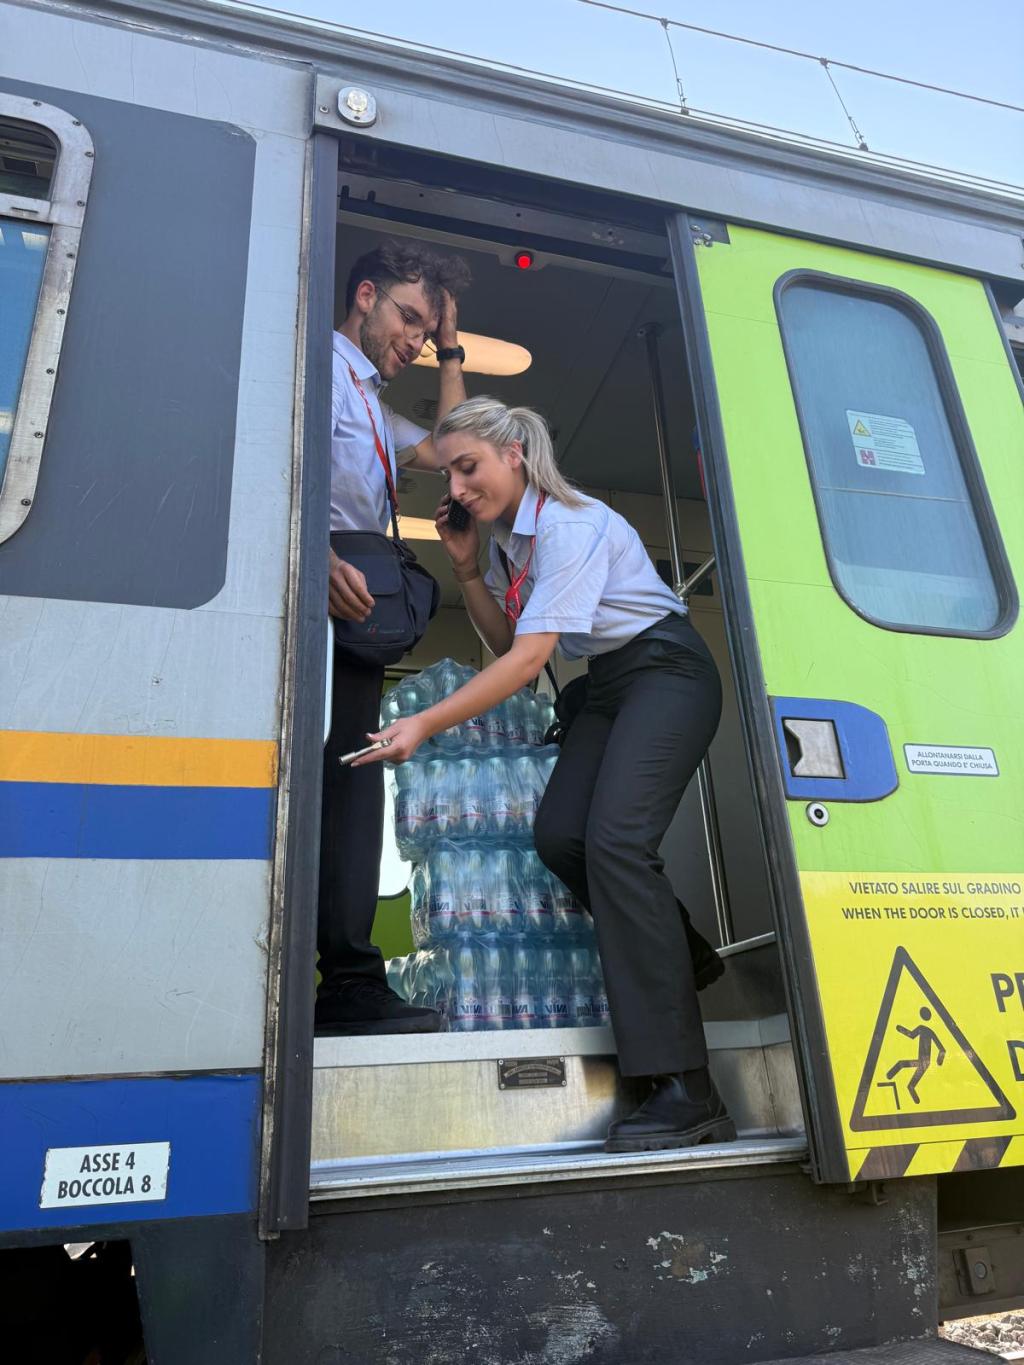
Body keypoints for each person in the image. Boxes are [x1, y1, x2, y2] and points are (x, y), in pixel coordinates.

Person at [354, 395, 736, 1153]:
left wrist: (425, 722)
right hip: (611, 682)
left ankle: (685, 1089)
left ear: (514, 456)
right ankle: (680, 952)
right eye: (451, 474)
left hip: (668, 669)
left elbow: (530, 663)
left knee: (618, 843)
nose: (458, 487)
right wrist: (466, 568)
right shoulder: (506, 546)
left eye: (469, 468)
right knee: (561, 835)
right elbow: (510, 646)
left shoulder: (569, 524)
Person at [318, 240, 470, 1036]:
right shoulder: (311, 361)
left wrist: (452, 352)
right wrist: (316, 553)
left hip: (352, 619)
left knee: (351, 783)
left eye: (425, 332)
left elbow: (453, 449)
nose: (413, 340)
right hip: (312, 595)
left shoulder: (372, 401)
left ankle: (345, 981)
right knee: (332, 785)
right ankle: (339, 978)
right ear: (365, 294)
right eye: (409, 319)